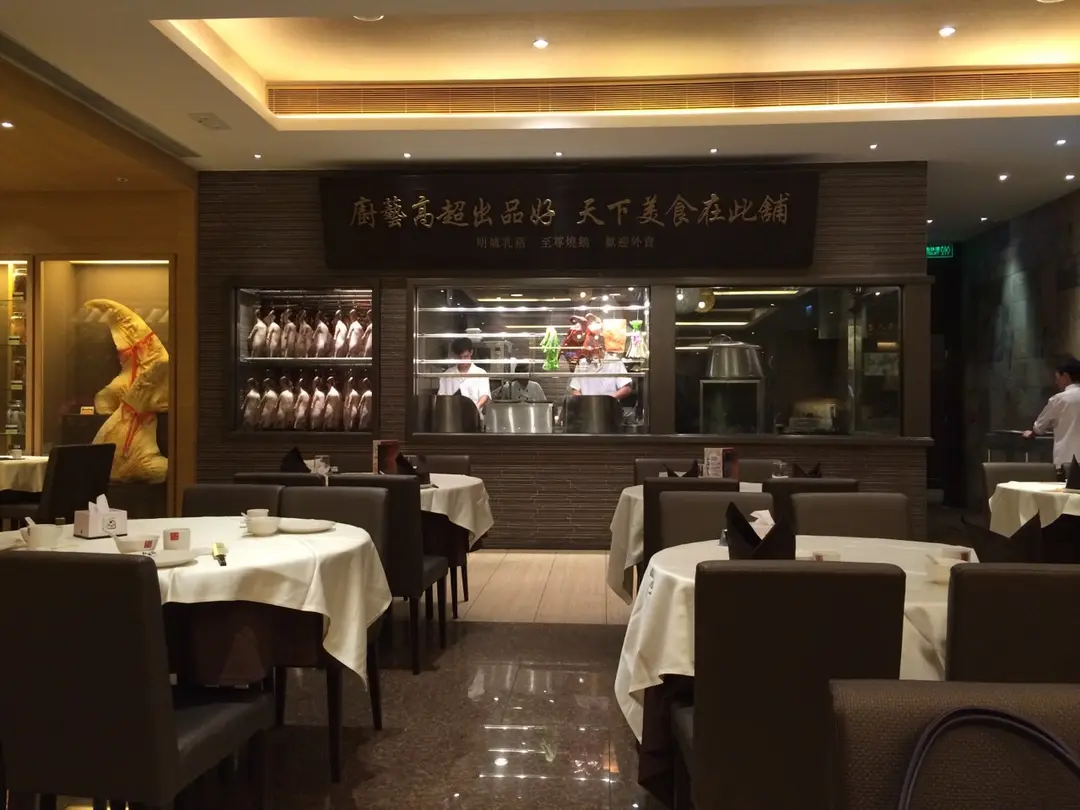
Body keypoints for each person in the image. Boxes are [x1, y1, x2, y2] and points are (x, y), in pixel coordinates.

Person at [1023, 357, 1080, 469]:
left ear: (1065, 376)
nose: (1056, 381)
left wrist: (1032, 433)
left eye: (1057, 377)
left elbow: (1039, 427)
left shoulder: (1059, 399)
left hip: (1066, 460)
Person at [438, 336, 490, 410]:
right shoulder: (447, 374)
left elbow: (484, 395)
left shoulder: (480, 373)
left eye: (465, 356)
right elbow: (441, 396)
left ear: (471, 352)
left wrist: (476, 407)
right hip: (452, 414)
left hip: (474, 414)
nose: (462, 360)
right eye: (459, 357)